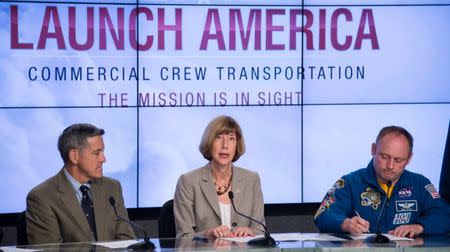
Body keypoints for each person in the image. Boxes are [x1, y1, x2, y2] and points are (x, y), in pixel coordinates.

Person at [314, 126, 450, 238]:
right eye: (385, 157)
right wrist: (345, 223)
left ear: (409, 158)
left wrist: (420, 227)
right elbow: (323, 215)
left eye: (398, 160)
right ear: (373, 149)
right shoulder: (350, 182)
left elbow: (444, 215)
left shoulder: (420, 184)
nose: (390, 166)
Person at [26, 123, 136, 244]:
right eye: (97, 153)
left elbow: (126, 240)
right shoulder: (42, 197)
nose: (103, 159)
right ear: (74, 156)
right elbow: (50, 250)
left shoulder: (112, 187)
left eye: (102, 152)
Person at [174, 115, 265, 238]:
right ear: (209, 142)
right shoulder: (188, 181)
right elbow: (183, 237)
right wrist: (208, 233)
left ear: (237, 144)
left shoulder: (252, 180)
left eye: (231, 138)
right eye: (219, 138)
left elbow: (260, 230)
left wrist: (250, 232)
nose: (225, 145)